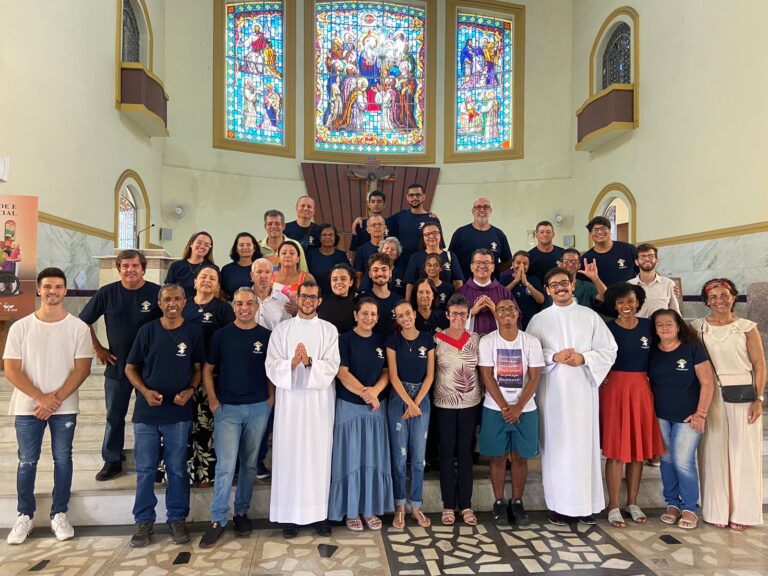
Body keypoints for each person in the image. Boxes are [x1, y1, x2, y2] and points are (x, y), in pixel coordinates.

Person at [4, 268, 92, 545]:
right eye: (47, 287)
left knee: (63, 459)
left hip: (64, 408)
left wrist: (54, 400)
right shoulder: (21, 327)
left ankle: (59, 513)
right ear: (38, 290)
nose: (52, 291)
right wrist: (41, 398)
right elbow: (11, 369)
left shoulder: (78, 328)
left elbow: (82, 369)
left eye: (57, 287)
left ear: (65, 291)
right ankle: (24, 515)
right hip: (27, 407)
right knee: (27, 461)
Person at [526, 268, 617, 525]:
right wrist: (554, 356)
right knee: (556, 449)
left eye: (564, 283)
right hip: (552, 394)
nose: (560, 288)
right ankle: (558, 506)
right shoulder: (539, 320)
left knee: (583, 447)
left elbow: (609, 349)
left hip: (583, 392)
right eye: (554, 285)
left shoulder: (589, 316)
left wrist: (584, 358)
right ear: (547, 290)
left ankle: (586, 506)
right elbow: (530, 352)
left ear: (572, 285)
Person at [125, 284, 204, 548]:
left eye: (177, 299)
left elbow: (198, 368)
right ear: (159, 303)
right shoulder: (147, 331)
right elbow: (130, 368)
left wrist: (190, 390)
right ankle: (143, 521)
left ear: (185, 302)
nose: (172, 303)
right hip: (147, 412)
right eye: (167, 299)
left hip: (178, 412)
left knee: (177, 469)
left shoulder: (194, 331)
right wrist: (145, 391)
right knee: (145, 470)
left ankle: (177, 519)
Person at [198, 288, 274, 548]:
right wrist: (213, 399)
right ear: (233, 306)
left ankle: (241, 512)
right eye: (240, 303)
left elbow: (271, 371)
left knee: (250, 465)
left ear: (256, 307)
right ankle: (218, 519)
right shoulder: (221, 336)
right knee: (226, 466)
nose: (245, 308)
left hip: (258, 408)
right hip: (228, 409)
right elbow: (207, 370)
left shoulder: (266, 336)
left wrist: (270, 400)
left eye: (249, 303)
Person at [265, 281, 340, 538]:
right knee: (289, 456)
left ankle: (319, 515)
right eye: (304, 296)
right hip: (290, 403)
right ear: (297, 299)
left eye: (312, 297)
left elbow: (332, 365)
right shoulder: (282, 330)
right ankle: (290, 517)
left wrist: (309, 363)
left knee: (318, 457)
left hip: (319, 403)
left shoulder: (329, 330)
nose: (308, 301)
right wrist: (291, 363)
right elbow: (271, 364)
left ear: (319, 301)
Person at [79, 250, 162, 482]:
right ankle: (112, 460)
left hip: (149, 368)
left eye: (135, 266)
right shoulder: (107, 293)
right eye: (125, 266)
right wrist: (98, 348)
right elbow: (83, 322)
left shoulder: (156, 293)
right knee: (114, 416)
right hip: (117, 366)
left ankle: (154, 462)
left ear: (143, 268)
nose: (130, 270)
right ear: (119, 269)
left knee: (151, 417)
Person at [692, 278, 765, 531]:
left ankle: (743, 512)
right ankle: (716, 510)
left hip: (743, 394)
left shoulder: (746, 328)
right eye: (713, 297)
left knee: (743, 452)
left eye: (724, 295)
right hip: (711, 394)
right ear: (706, 301)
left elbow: (759, 365)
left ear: (733, 297)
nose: (719, 301)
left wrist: (759, 398)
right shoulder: (697, 328)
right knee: (713, 452)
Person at [600, 283, 664, 528]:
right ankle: (614, 504)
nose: (626, 306)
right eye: (620, 302)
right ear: (614, 305)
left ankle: (633, 502)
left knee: (637, 449)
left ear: (638, 302)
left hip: (641, 389)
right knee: (616, 449)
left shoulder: (649, 326)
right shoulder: (607, 329)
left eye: (630, 301)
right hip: (614, 390)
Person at [328, 297, 394, 531]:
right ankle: (351, 510)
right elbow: (342, 373)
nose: (369, 318)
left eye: (373, 314)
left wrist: (374, 392)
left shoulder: (381, 340)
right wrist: (365, 393)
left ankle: (369, 509)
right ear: (355, 315)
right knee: (351, 459)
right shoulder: (344, 340)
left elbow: (386, 372)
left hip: (376, 408)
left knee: (372, 459)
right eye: (364, 313)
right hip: (350, 407)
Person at [479, 299, 544, 527]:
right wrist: (506, 408)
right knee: (497, 457)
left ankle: (517, 502)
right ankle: (499, 502)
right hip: (495, 408)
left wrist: (518, 407)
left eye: (511, 308)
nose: (506, 312)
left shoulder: (531, 342)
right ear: (495, 314)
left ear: (518, 313)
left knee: (519, 457)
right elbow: (487, 376)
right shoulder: (488, 341)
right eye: (501, 309)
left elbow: (535, 377)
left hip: (525, 409)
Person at [648, 309, 714, 530]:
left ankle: (689, 507)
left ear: (678, 326)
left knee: (683, 462)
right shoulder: (652, 351)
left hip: (688, 418)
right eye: (659, 325)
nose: (664, 328)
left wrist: (700, 414)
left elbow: (707, 382)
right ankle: (672, 504)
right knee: (666, 460)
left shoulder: (692, 349)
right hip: (660, 416)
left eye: (669, 323)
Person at [181, 265, 236, 487]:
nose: (207, 280)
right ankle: (182, 473)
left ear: (218, 286)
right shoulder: (182, 305)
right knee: (183, 425)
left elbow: (230, 341)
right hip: (183, 375)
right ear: (195, 282)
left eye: (212, 278)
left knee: (206, 427)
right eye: (203, 276)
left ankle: (206, 474)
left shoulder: (223, 309)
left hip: (211, 377)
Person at [433, 294, 482, 526]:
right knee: (446, 452)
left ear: (468, 315)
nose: (458, 318)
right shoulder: (437, 339)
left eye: (463, 314)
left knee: (465, 452)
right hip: (444, 404)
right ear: (447, 315)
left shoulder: (476, 339)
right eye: (454, 314)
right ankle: (448, 505)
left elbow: (482, 371)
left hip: (470, 403)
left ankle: (466, 504)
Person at [386, 300, 435, 529]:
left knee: (418, 456)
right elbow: (393, 376)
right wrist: (408, 402)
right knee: (399, 456)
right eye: (400, 315)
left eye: (408, 313)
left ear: (414, 314)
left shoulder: (427, 339)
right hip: (399, 397)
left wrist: (416, 403)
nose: (405, 318)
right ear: (396, 319)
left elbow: (430, 375)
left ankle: (416, 506)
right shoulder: (393, 340)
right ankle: (399, 507)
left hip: (421, 397)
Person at [250, 257, 290, 479]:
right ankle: (245, 462)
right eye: (259, 272)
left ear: (272, 276)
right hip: (247, 361)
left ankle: (260, 461)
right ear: (252, 275)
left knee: (269, 412)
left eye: (267, 272)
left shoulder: (282, 300)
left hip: (274, 362)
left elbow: (287, 331)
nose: (263, 276)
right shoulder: (243, 297)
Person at [448, 198, 512, 280]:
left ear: (490, 210)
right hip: (465, 284)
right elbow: (451, 260)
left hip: (491, 285)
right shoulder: (460, 233)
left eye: (485, 207)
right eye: (478, 207)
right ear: (473, 211)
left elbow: (507, 261)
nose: (482, 210)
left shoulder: (499, 234)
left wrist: (493, 271)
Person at [458, 248, 511, 336]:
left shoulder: (504, 293)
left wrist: (497, 312)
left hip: (496, 342)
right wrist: (471, 312)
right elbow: (452, 320)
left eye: (486, 263)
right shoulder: (460, 293)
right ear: (471, 267)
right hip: (468, 343)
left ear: (493, 267)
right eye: (478, 262)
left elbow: (516, 318)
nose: (482, 266)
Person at [404, 222, 464, 300]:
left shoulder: (450, 256)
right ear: (423, 237)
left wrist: (458, 303)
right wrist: (408, 304)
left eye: (435, 233)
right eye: (427, 234)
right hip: (421, 302)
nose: (431, 236)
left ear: (440, 235)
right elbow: (410, 285)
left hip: (446, 302)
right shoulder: (415, 257)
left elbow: (458, 283)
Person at [386, 183, 441, 263]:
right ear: (407, 197)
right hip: (403, 263)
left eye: (418, 195)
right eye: (411, 195)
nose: (415, 198)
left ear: (423, 197)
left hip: (425, 263)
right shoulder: (400, 216)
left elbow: (439, 246)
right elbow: (380, 223)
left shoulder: (432, 219)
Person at [582, 216, 637, 289]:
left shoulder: (628, 249)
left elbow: (642, 272)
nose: (600, 232)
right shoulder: (586, 259)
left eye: (603, 228)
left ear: (610, 230)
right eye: (595, 230)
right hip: (602, 296)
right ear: (590, 234)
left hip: (628, 295)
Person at [542, 248, 607, 310]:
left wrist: (595, 277)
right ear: (561, 264)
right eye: (566, 261)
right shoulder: (552, 287)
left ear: (579, 265)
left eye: (574, 261)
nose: (570, 264)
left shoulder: (587, 287)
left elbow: (605, 298)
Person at [628, 243, 681, 318]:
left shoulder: (668, 284)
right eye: (643, 256)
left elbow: (675, 312)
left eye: (651, 256)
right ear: (636, 262)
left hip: (661, 325)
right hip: (638, 325)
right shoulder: (629, 285)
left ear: (657, 260)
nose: (647, 259)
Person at [500, 251, 544, 330]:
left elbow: (541, 300)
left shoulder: (534, 280)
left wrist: (526, 283)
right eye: (518, 263)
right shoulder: (504, 278)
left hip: (530, 323)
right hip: (510, 323)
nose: (521, 266)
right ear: (513, 263)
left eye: (525, 263)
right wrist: (515, 281)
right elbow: (499, 297)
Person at [165, 231, 217, 298]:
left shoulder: (212, 269)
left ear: (209, 249)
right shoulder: (176, 266)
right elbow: (168, 290)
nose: (202, 246)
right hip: (179, 303)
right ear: (191, 244)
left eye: (206, 245)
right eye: (199, 242)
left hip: (203, 304)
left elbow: (215, 292)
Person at [273, 240, 316, 315]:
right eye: (284, 253)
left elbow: (315, 303)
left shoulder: (307, 278)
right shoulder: (270, 276)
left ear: (298, 258)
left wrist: (300, 310)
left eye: (292, 253)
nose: (288, 255)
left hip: (299, 320)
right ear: (279, 258)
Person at [363, 253, 401, 337]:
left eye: (384, 269)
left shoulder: (399, 301)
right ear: (370, 274)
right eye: (375, 270)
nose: (380, 273)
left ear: (390, 273)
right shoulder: (361, 299)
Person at [307, 224, 350, 295]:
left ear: (335, 237)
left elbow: (348, 276)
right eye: (324, 235)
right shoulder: (311, 254)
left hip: (338, 295)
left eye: (331, 235)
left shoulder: (342, 255)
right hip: (317, 295)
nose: (327, 237)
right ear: (320, 238)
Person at [220, 232, 262, 301]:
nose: (245, 247)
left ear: (254, 248)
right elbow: (222, 294)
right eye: (241, 245)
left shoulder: (261, 268)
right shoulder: (227, 270)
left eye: (248, 244)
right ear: (236, 249)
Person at [317, 262, 356, 334]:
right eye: (335, 279)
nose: (339, 282)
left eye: (343, 279)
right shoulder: (319, 301)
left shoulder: (356, 305)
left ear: (351, 282)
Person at [349, 190, 386, 258]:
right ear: (368, 205)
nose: (376, 204)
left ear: (384, 205)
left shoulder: (391, 223)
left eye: (379, 201)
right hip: (364, 262)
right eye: (373, 201)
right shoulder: (359, 224)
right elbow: (354, 249)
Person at [527, 221, 565, 285]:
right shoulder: (529, 256)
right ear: (536, 235)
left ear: (553, 234)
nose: (545, 234)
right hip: (535, 290)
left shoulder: (562, 253)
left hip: (558, 289)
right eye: (542, 232)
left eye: (548, 232)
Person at [353, 214, 387, 285]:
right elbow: (358, 276)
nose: (377, 227)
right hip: (367, 288)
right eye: (373, 225)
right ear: (368, 230)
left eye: (380, 224)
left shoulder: (392, 248)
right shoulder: (361, 250)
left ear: (385, 228)